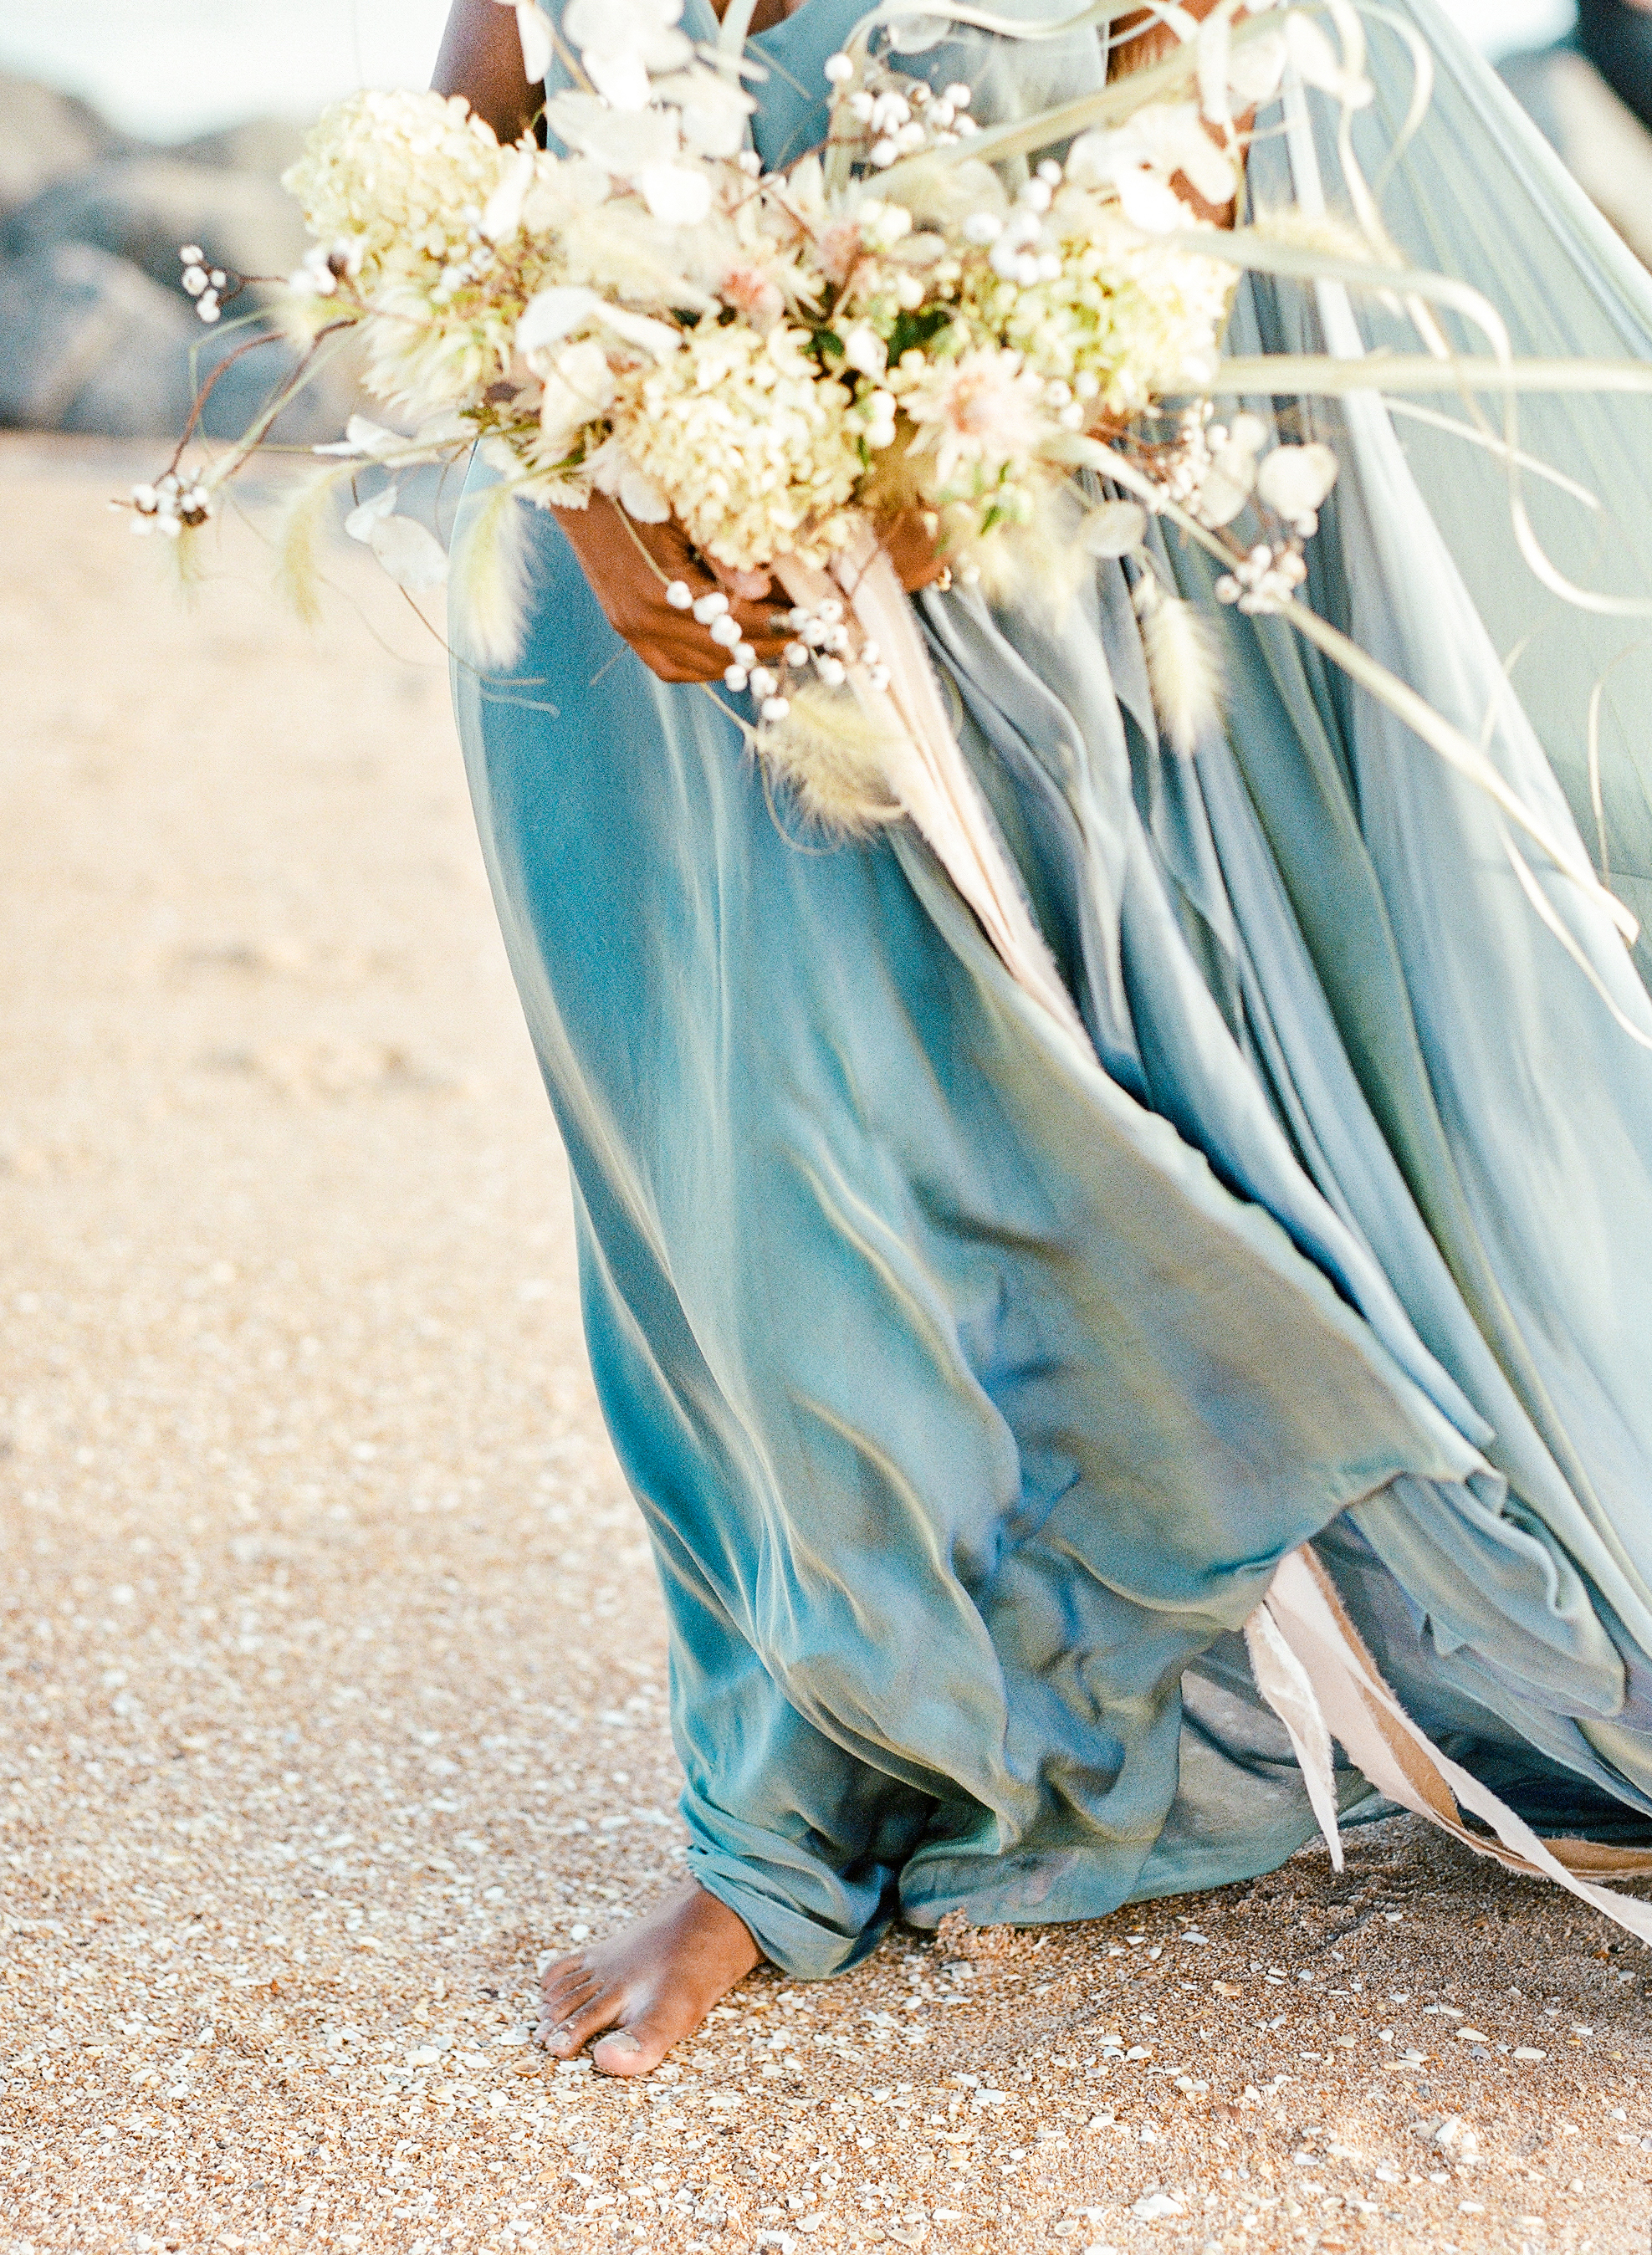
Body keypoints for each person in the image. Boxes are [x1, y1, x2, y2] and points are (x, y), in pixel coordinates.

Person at [433, 0, 1652, 2078]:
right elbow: (471, 134)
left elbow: (1223, 83)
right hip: (682, 613)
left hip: (1086, 536)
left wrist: (1000, 416)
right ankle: (816, 1773)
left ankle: (1340, 1607)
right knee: (778, 1143)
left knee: (1225, 1101)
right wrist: (584, 488)